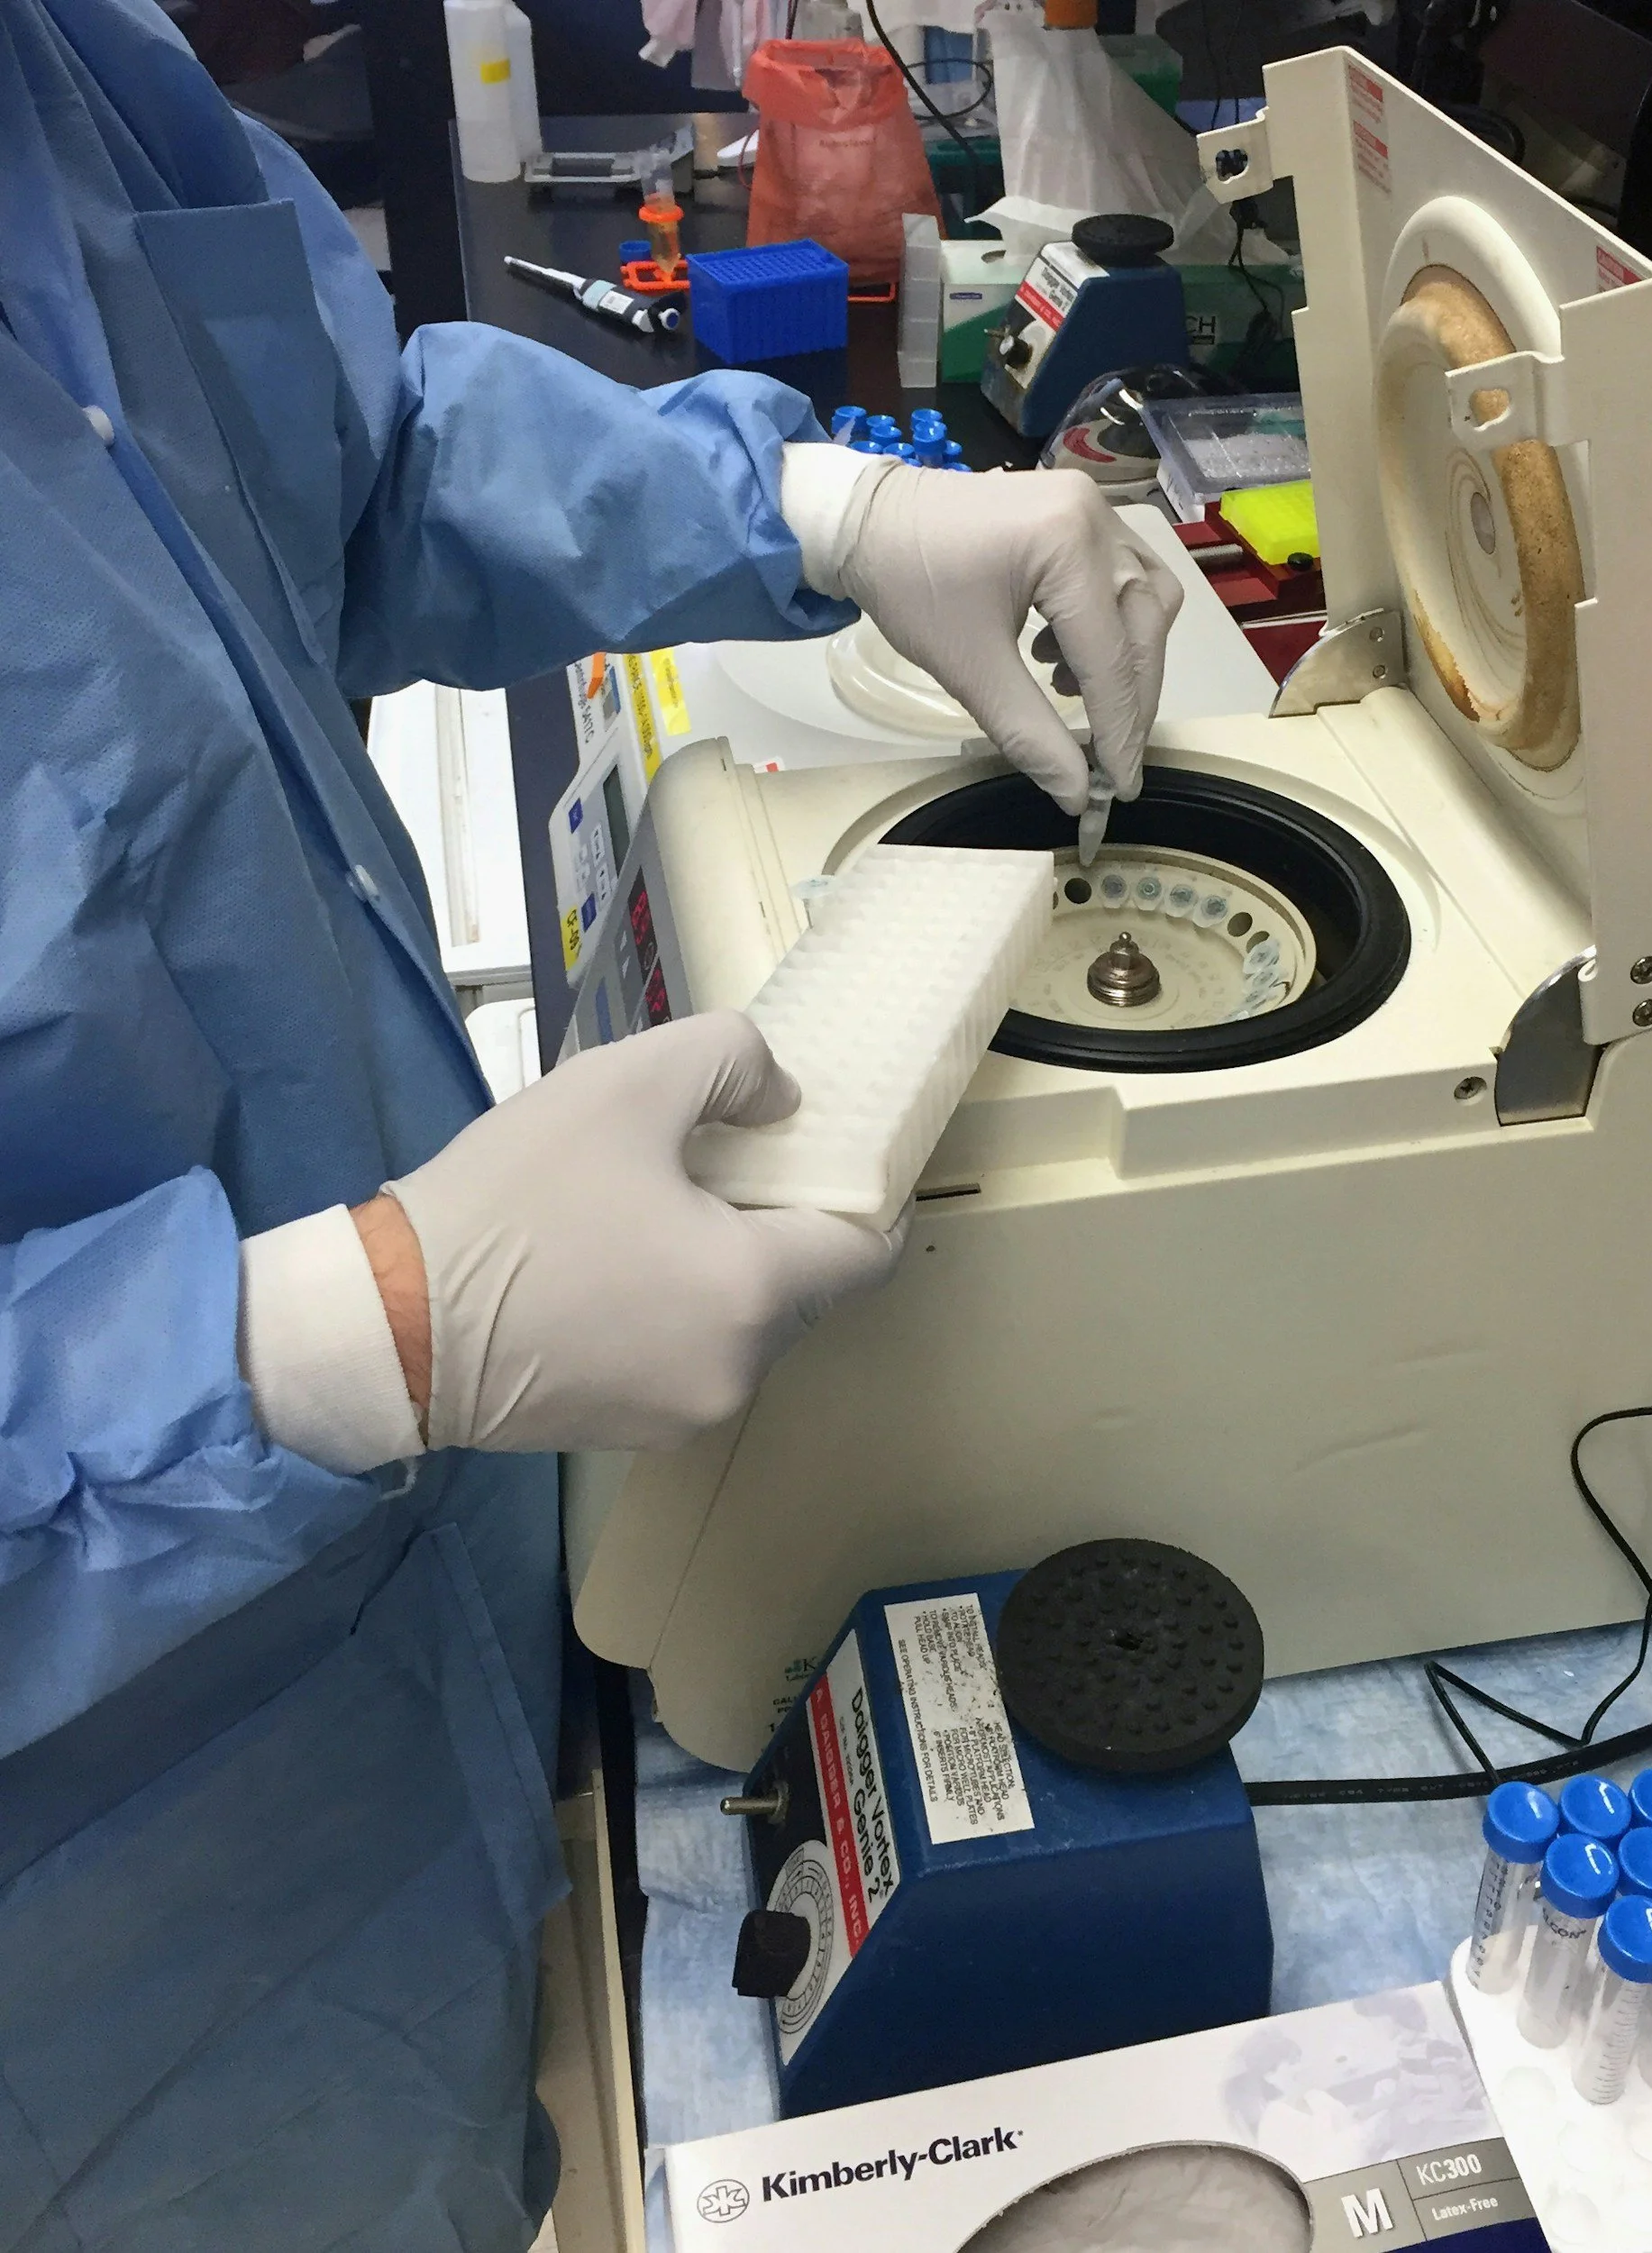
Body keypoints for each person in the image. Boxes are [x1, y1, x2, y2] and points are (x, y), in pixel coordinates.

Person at [0, 0, 1182, 2242]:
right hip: (108, 1949)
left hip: (433, 1617)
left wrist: (819, 503)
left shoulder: (54, 68)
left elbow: (345, 464)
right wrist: (332, 1339)